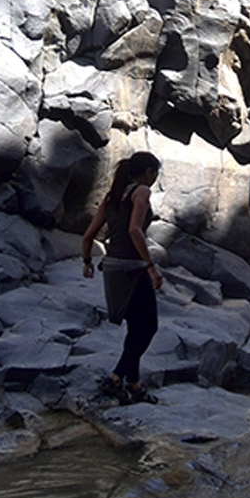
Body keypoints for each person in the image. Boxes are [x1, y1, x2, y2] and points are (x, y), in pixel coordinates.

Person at [81, 151, 163, 404]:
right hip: (132, 269)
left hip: (112, 269)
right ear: (148, 172)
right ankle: (116, 378)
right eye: (155, 173)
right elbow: (134, 229)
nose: (155, 178)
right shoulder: (141, 192)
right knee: (149, 327)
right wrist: (151, 266)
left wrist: (87, 262)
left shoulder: (111, 197)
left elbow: (88, 236)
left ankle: (134, 385)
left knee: (135, 327)